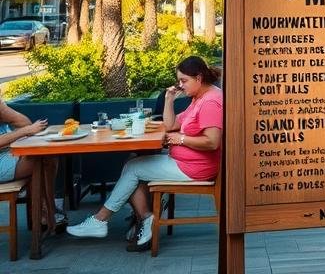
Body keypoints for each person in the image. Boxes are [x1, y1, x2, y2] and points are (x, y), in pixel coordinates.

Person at [67, 56, 223, 251]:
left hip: (195, 169)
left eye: (184, 81)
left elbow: (212, 141)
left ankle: (103, 219)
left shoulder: (210, 101)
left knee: (133, 167)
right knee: (134, 162)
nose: (181, 85)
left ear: (199, 78)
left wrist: (180, 139)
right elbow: (170, 125)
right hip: (185, 162)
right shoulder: (198, 98)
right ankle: (144, 220)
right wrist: (169, 100)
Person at [0, 95, 60, 230]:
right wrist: (24, 131)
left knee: (48, 155)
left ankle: (45, 210)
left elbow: (25, 123)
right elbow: (27, 128)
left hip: (9, 154)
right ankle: (47, 211)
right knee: (45, 158)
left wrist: (4, 110)